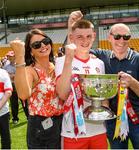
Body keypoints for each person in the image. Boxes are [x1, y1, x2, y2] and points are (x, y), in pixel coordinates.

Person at [68, 11, 139, 149]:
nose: (121, 40)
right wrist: (71, 26)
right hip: (113, 120)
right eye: (117, 36)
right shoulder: (102, 56)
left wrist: (132, 82)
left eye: (126, 37)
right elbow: (77, 50)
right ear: (109, 38)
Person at [55, 19, 108, 149]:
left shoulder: (99, 63)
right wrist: (68, 61)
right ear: (71, 38)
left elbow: (103, 94)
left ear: (94, 36)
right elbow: (62, 94)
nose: (85, 41)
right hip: (73, 131)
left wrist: (104, 110)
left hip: (99, 129)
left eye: (89, 36)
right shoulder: (62, 61)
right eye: (80, 37)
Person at [10, 29, 63, 149]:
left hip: (63, 123)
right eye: (36, 45)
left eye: (45, 41)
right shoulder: (30, 70)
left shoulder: (57, 65)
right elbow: (23, 95)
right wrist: (19, 56)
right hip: (41, 128)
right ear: (31, 52)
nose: (43, 45)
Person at [3, 51, 29, 123]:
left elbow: (22, 75)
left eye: (11, 56)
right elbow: (6, 77)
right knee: (14, 103)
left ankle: (28, 116)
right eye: (9, 56)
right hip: (12, 86)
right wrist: (14, 75)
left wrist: (13, 75)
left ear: (15, 57)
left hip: (20, 85)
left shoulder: (20, 65)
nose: (10, 58)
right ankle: (15, 118)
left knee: (24, 102)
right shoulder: (5, 67)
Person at [0, 68, 12, 149]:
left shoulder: (3, 73)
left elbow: (8, 92)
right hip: (3, 111)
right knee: (5, 137)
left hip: (3, 112)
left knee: (5, 138)